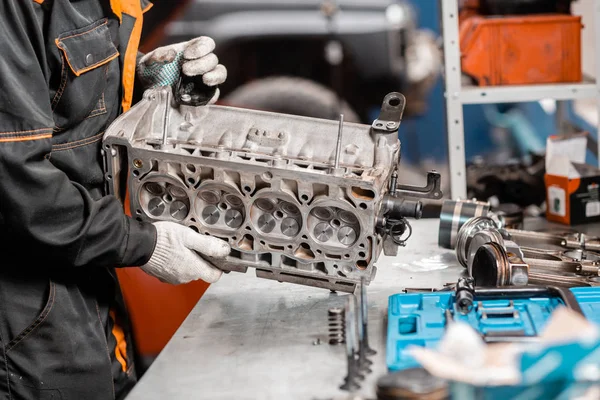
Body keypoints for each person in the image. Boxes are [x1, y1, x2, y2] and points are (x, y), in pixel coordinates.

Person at [0, 1, 231, 399]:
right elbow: (17, 187)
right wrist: (146, 244)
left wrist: (148, 80)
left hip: (85, 275)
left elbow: (54, 80)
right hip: (23, 312)